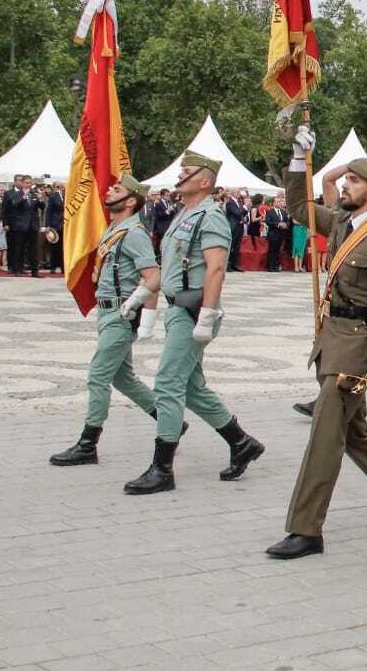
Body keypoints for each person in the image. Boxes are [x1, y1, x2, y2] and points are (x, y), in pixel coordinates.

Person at [265, 137, 367, 561]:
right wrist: (298, 160)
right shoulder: (339, 223)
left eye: (353, 180)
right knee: (353, 432)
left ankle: (306, 528)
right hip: (331, 338)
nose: (344, 184)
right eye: (345, 178)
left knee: (324, 434)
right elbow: (298, 209)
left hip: (359, 347)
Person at [123, 152, 264, 495]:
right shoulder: (183, 213)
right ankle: (241, 442)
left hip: (193, 312)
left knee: (168, 383)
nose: (179, 176)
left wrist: (207, 315)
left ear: (204, 181)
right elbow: (169, 267)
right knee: (191, 387)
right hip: (177, 308)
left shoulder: (211, 216)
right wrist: (142, 296)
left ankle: (162, 469)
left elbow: (215, 269)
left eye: (187, 172)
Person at [48, 174, 164, 466]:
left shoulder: (134, 233)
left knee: (98, 376)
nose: (110, 189)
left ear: (131, 201)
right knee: (123, 378)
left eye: (117, 188)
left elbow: (153, 277)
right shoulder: (115, 229)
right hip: (107, 311)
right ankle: (168, 420)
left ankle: (88, 444)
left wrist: (137, 306)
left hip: (120, 314)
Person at [1, 175, 41, 276]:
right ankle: (17, 269)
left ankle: (34, 271)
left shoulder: (33, 194)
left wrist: (40, 200)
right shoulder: (16, 194)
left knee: (33, 249)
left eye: (30, 183)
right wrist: (23, 197)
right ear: (22, 183)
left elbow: (41, 207)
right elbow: (14, 205)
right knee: (19, 248)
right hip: (20, 225)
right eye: (27, 183)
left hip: (32, 225)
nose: (29, 185)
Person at [264, 196, 291, 271]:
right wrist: (278, 224)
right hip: (273, 234)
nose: (279, 203)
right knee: (272, 251)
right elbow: (268, 222)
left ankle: (276, 266)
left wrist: (286, 225)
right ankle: (270, 266)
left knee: (278, 251)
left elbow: (288, 221)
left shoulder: (283, 212)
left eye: (280, 201)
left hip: (281, 235)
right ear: (274, 203)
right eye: (277, 202)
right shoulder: (270, 212)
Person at [224, 189, 247, 272]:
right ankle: (228, 265)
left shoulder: (239, 202)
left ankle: (235, 264)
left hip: (240, 226)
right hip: (233, 226)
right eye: (237, 193)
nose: (239, 194)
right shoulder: (230, 202)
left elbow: (243, 213)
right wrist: (245, 207)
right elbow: (237, 213)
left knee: (237, 246)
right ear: (233, 194)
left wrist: (244, 219)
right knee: (231, 246)